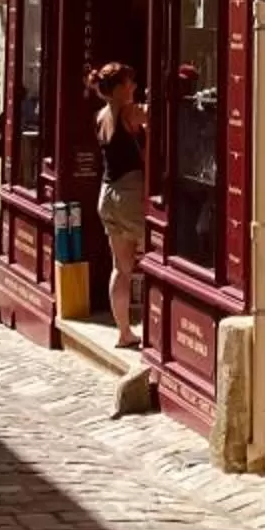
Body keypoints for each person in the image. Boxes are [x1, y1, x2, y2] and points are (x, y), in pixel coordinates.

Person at [90, 61, 146, 345]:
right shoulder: (128, 112)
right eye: (131, 83)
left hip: (107, 193)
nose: (135, 87)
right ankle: (155, 327)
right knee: (155, 256)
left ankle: (123, 332)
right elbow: (158, 117)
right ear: (121, 88)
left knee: (120, 269)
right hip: (130, 193)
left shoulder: (101, 115)